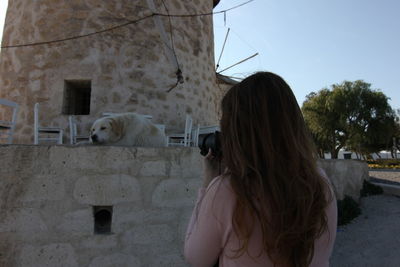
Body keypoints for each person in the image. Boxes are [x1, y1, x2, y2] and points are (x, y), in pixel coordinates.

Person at [184, 72, 337, 267]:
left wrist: (207, 186)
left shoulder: (227, 191)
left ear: (238, 133)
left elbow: (196, 258)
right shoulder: (321, 185)